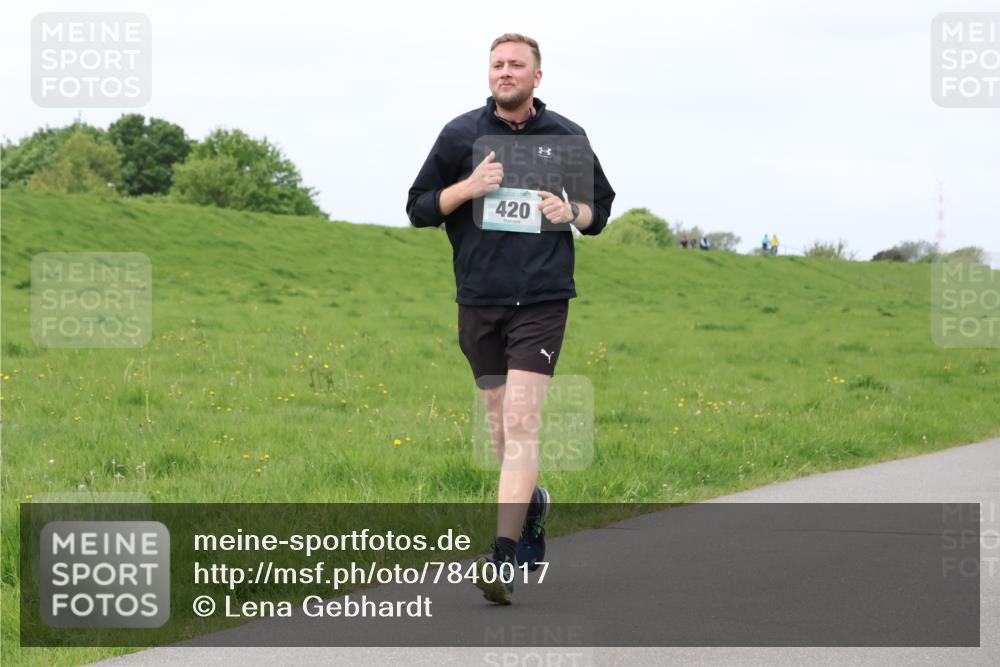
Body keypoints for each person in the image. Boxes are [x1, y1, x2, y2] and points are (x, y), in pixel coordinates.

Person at [406, 33, 615, 605]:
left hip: (543, 298)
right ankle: (534, 503)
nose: (505, 72)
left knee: (522, 420)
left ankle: (500, 557)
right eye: (497, 64)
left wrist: (571, 210)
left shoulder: (568, 137)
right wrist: (467, 188)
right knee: (501, 427)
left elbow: (600, 212)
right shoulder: (460, 135)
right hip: (479, 299)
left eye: (516, 65)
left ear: (536, 77)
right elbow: (418, 207)